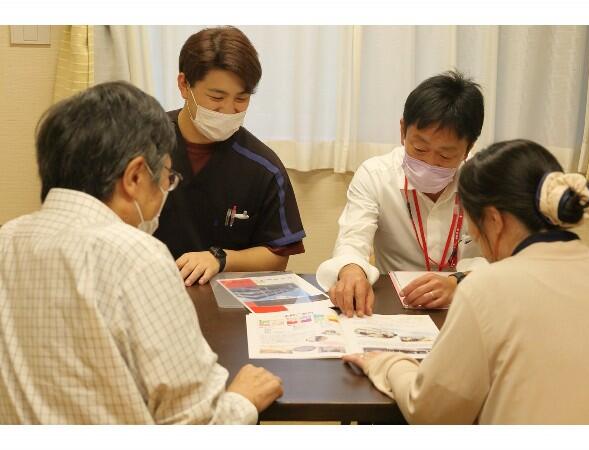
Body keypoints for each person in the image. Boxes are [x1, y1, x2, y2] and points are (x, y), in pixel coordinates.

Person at [0, 81, 283, 424]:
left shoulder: (8, 239)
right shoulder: (137, 256)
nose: (166, 189)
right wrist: (241, 400)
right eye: (166, 177)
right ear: (135, 176)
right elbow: (194, 423)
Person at [344, 139, 589, 424]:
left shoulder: (488, 289)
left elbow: (431, 412)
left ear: (493, 220)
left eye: (472, 223)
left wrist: (386, 363)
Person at [317, 71, 487, 317]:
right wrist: (352, 270)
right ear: (402, 131)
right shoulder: (375, 175)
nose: (429, 162)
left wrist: (459, 282)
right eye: (419, 148)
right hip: (398, 306)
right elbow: (352, 240)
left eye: (445, 155)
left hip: (470, 304)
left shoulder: (485, 182)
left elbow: (509, 262)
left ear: (468, 148)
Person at [154, 26, 306, 287]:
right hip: (150, 290)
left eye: (241, 99)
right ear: (184, 85)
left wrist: (222, 259)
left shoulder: (262, 167)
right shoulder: (144, 145)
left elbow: (277, 255)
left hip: (224, 304)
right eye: (216, 97)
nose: (227, 110)